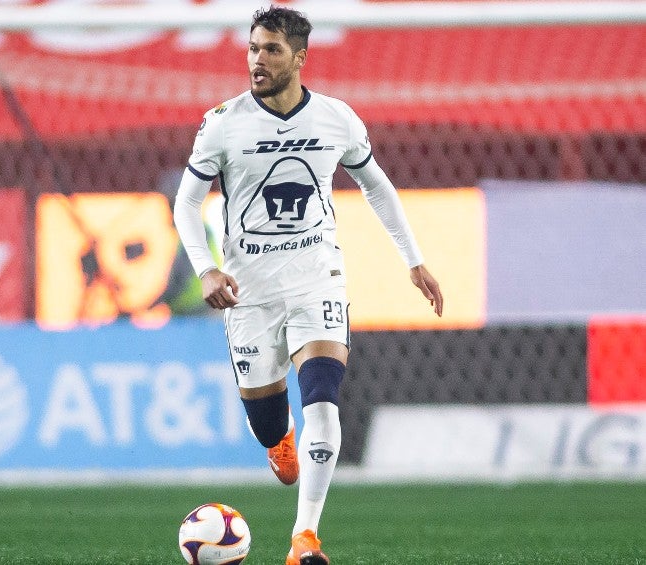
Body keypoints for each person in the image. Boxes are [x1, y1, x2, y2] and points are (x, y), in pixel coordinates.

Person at [172, 7, 443, 564]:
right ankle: (279, 444)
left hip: (317, 279)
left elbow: (378, 188)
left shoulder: (337, 119)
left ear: (299, 57)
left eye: (270, 50)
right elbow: (187, 204)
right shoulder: (223, 122)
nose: (257, 60)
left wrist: (413, 260)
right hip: (248, 293)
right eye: (252, 48)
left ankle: (305, 539)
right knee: (269, 422)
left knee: (322, 397)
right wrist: (207, 268)